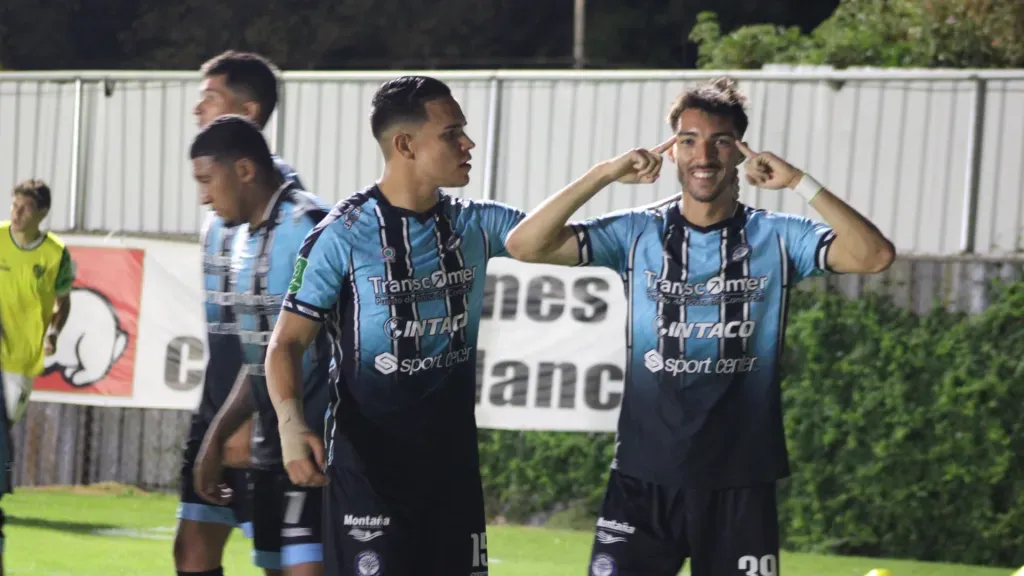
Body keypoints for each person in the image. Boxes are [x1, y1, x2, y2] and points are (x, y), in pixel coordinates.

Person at [503, 77, 896, 576]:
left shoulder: (777, 237)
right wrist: (604, 173)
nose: (703, 155)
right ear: (671, 152)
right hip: (642, 480)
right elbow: (525, 245)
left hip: (740, 480)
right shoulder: (636, 232)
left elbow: (875, 255)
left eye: (719, 141)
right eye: (688, 140)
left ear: (739, 152)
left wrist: (800, 182)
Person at [264, 75, 525, 576]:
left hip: (452, 475)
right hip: (370, 476)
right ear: (405, 144)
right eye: (452, 133)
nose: (468, 143)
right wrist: (292, 425)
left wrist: (605, 175)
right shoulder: (341, 234)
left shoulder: (474, 224)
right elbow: (286, 343)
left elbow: (551, 238)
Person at [176, 50, 307, 576]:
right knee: (190, 550)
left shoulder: (283, 211)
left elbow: (280, 337)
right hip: (220, 402)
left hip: (261, 413)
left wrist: (248, 416)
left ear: (247, 113)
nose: (196, 110)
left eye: (209, 99)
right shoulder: (218, 209)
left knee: (278, 559)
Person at [188, 115, 332, 576]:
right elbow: (263, 362)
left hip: (323, 444)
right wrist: (217, 438)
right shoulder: (247, 242)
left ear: (245, 170)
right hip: (274, 450)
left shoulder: (310, 227)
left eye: (208, 180)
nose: (204, 196)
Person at [0, 179, 75, 575]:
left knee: (5, 422)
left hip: (22, 360)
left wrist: (53, 331)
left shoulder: (56, 254)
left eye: (25, 208)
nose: (16, 213)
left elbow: (64, 301)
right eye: (13, 205)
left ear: (41, 213)